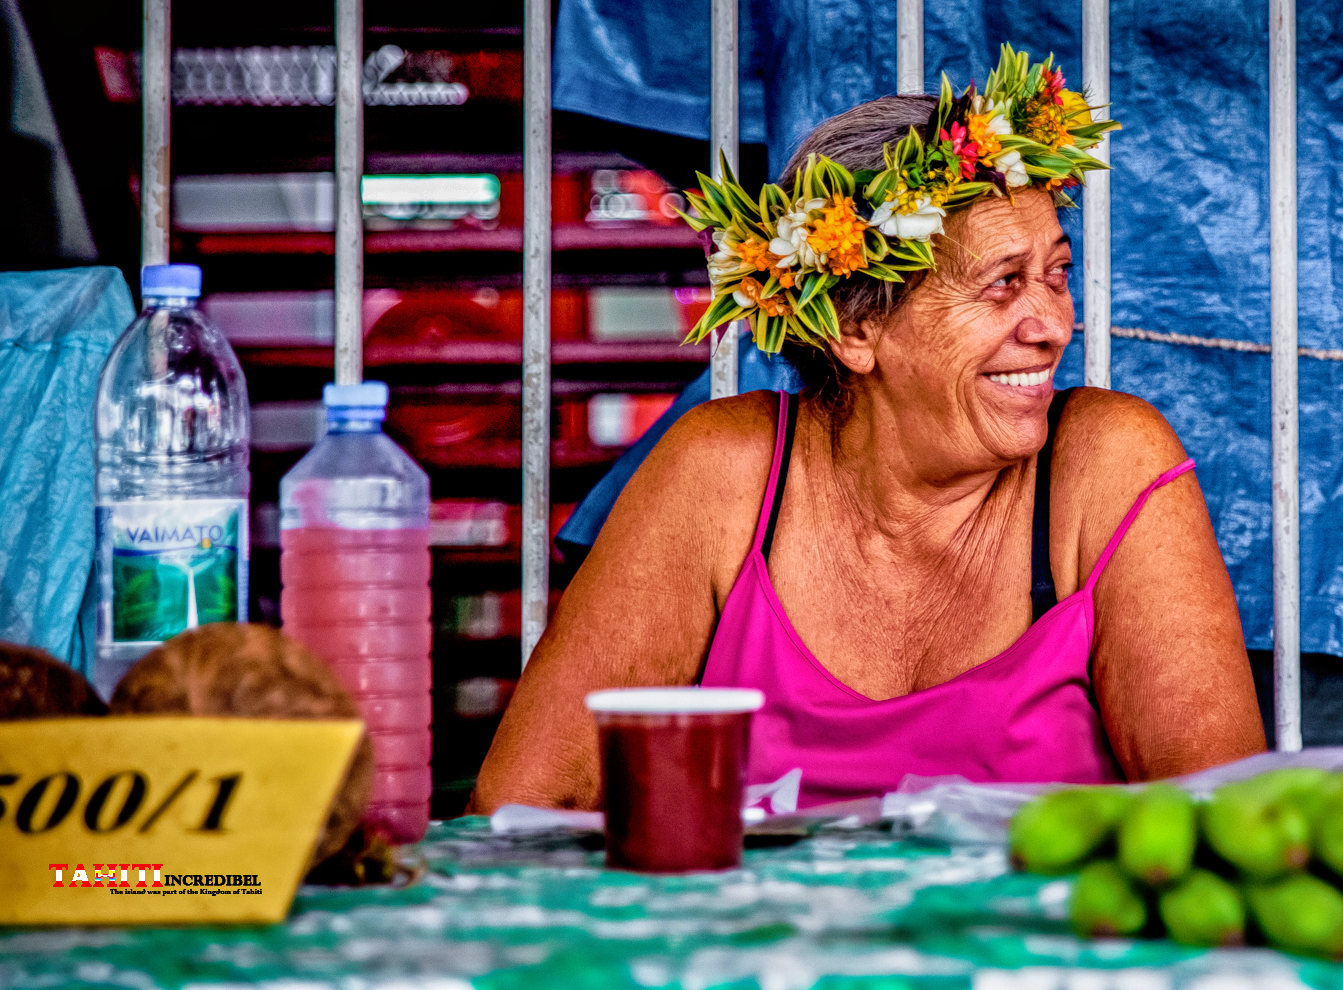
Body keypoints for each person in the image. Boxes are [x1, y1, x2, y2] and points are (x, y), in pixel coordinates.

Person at [472, 49, 1264, 811]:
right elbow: (530, 803)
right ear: (856, 333)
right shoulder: (722, 474)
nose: (1055, 324)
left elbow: (1223, 826)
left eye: (1056, 274)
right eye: (1002, 285)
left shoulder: (1106, 464)